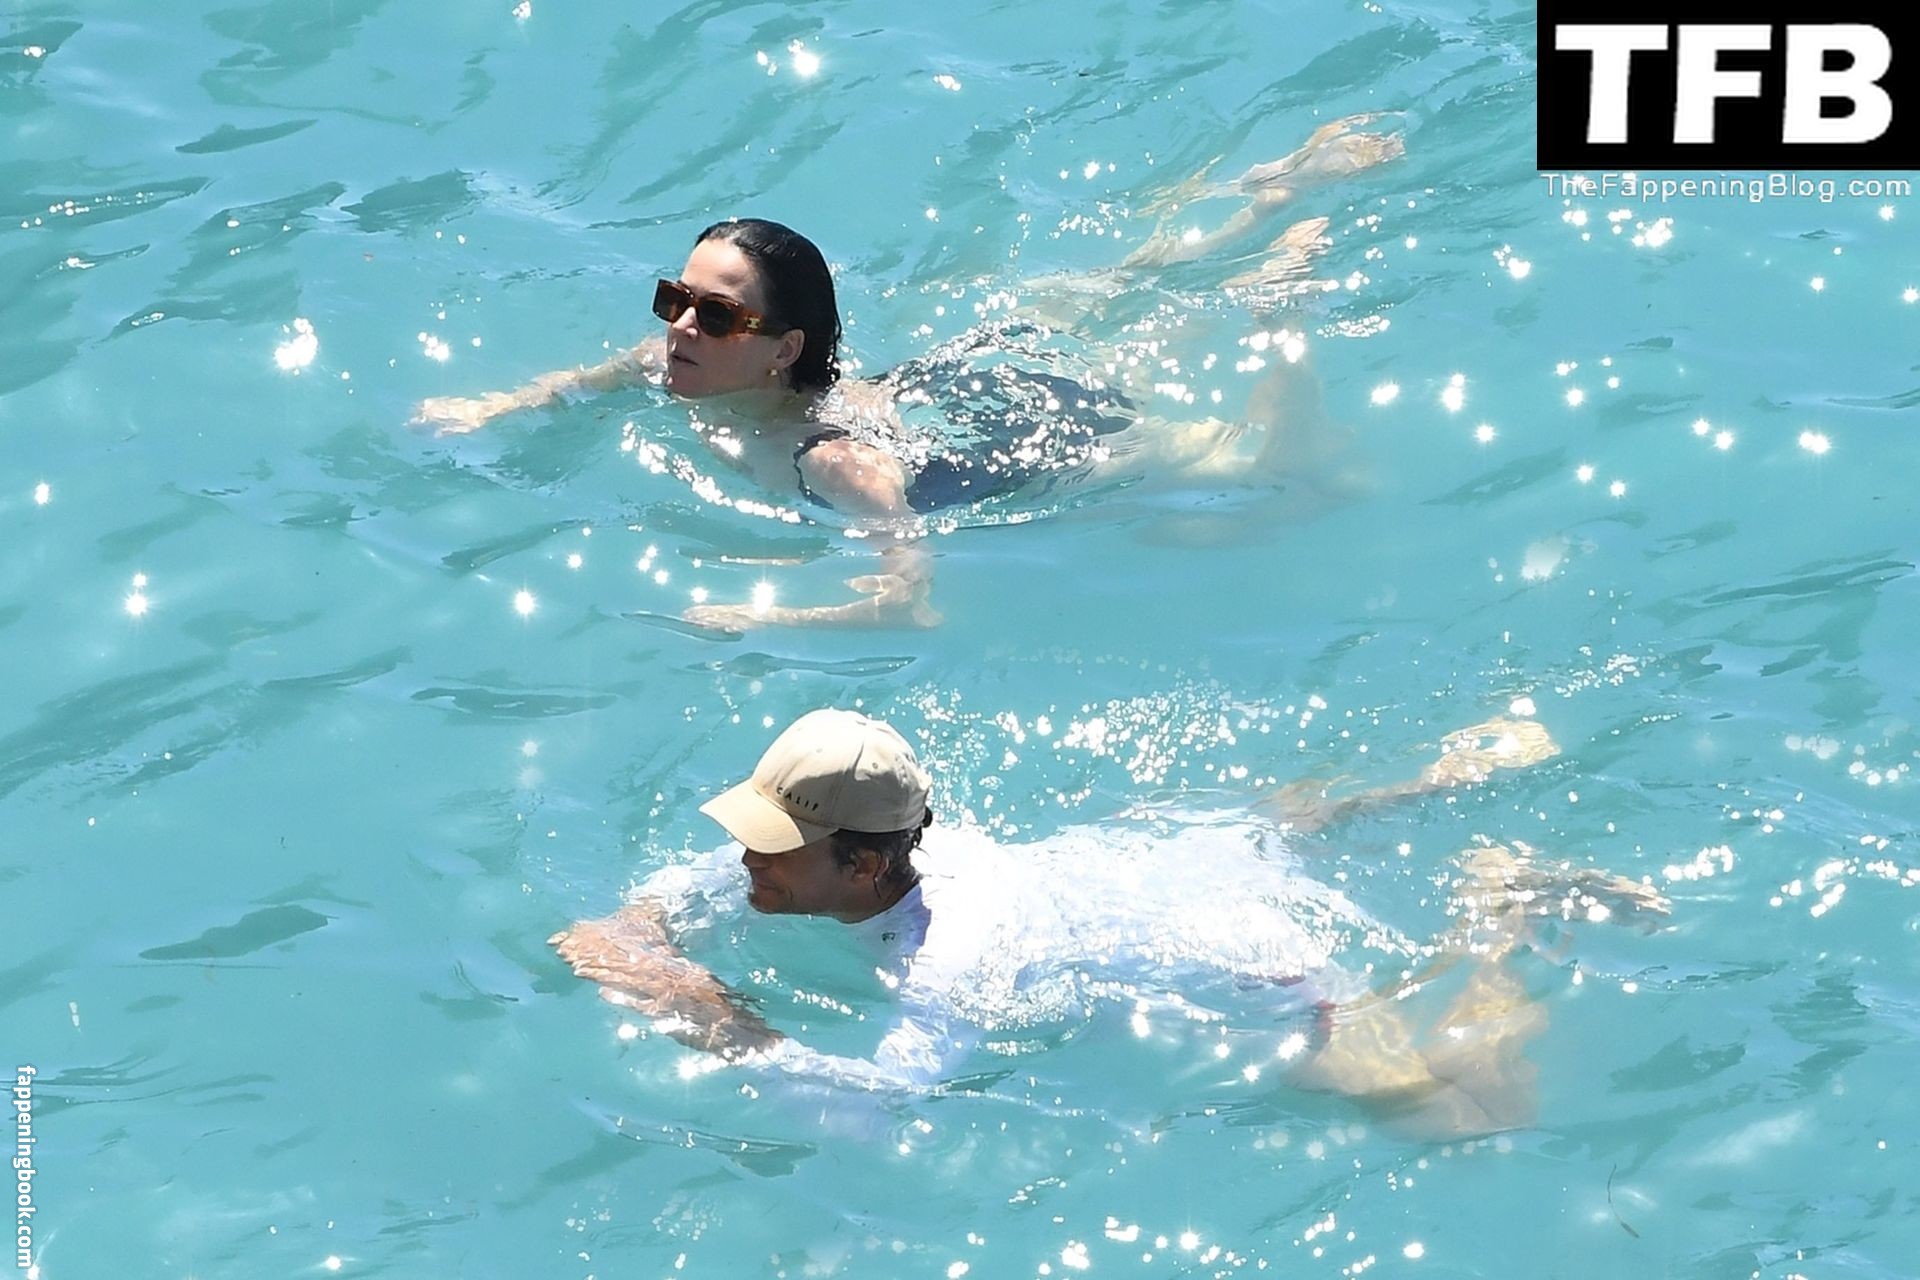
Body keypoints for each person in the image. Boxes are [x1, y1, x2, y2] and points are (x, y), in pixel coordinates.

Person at [414, 117, 1405, 631]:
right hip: (949, 378)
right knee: (1117, 291)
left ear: (784, 349)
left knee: (1293, 481)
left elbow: (908, 599)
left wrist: (760, 619)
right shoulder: (676, 359)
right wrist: (493, 407)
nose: (678, 327)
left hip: (1022, 444)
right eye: (674, 297)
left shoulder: (829, 461)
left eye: (714, 314)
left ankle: (1284, 314)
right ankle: (1263, 203)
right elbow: (590, 379)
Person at [549, 708, 1668, 1138]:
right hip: (1150, 867)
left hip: (1254, 962)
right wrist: (639, 938)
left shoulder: (953, 955)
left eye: (769, 844)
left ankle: (1502, 909)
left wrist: (714, 1018)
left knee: (1470, 1116)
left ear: (865, 862)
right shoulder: (833, 855)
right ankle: (1440, 772)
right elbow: (647, 908)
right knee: (1267, 827)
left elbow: (883, 1104)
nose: (743, 857)